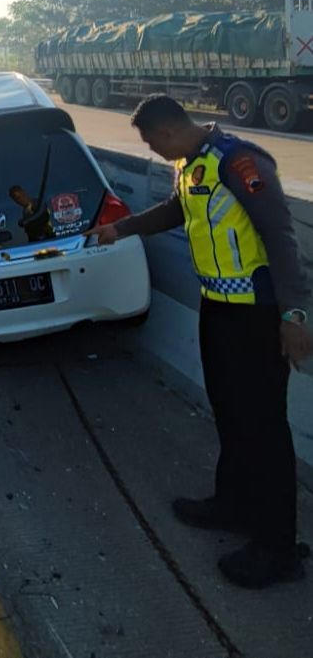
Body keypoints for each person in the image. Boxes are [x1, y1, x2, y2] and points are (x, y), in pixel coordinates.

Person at [88, 94, 313, 589]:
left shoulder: (240, 162)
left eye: (150, 142)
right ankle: (233, 503)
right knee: (230, 412)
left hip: (258, 315)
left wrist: (294, 315)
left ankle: (278, 549)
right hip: (218, 309)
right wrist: (121, 229)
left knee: (264, 427)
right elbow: (176, 211)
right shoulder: (194, 166)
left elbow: (279, 235)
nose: (151, 150)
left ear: (168, 131)